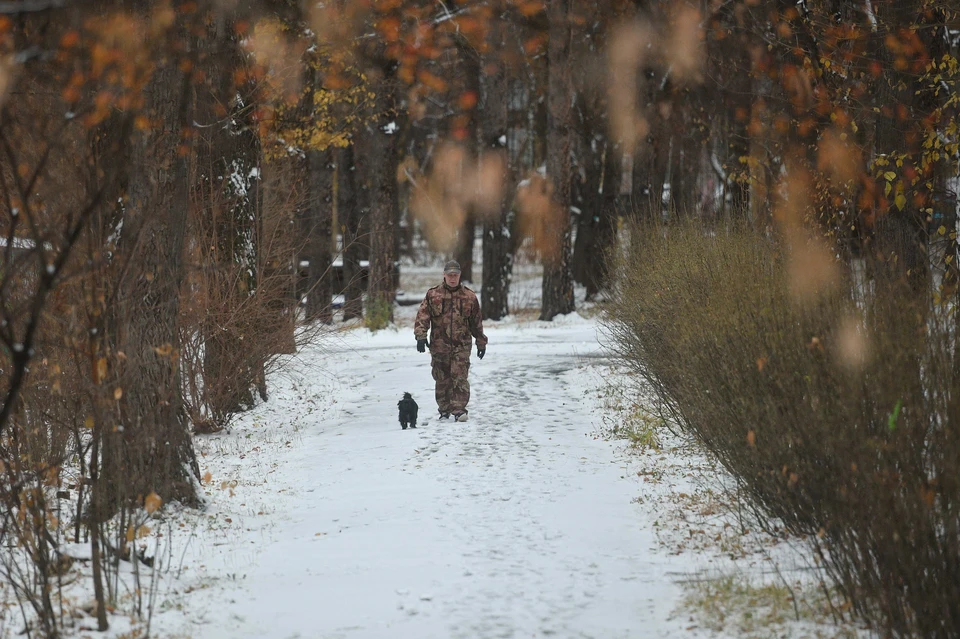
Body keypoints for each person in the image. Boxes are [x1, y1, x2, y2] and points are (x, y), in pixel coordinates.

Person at [414, 260, 487, 422]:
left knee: (459, 376)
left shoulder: (469, 297)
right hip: (439, 345)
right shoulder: (433, 295)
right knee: (442, 378)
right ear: (444, 275)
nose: (453, 278)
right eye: (449, 275)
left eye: (455, 275)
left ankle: (459, 410)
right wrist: (420, 335)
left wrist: (481, 341)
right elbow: (423, 316)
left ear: (460, 275)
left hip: (462, 345)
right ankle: (444, 409)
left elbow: (476, 322)